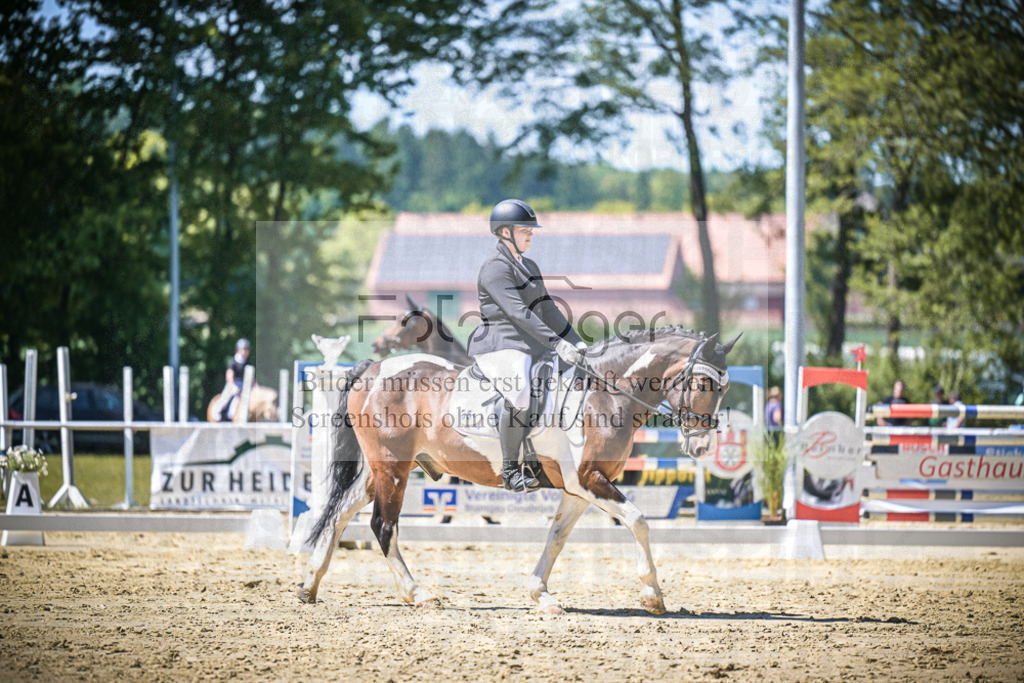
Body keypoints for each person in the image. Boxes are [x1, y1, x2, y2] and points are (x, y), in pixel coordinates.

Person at [467, 199, 588, 492]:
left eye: (531, 230)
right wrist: (556, 344)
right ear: (505, 232)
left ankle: (544, 457)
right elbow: (518, 313)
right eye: (525, 230)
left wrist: (577, 342)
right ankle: (510, 470)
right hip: (502, 344)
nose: (531, 234)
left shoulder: (529, 265)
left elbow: (548, 310)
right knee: (521, 392)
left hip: (531, 344)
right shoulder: (494, 268)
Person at [217, 338, 252, 422]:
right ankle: (219, 412)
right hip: (234, 384)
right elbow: (229, 376)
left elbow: (252, 378)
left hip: (244, 386)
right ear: (238, 350)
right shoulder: (233, 362)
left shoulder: (247, 363)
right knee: (227, 395)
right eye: (244, 349)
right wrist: (233, 385)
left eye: (247, 350)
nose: (246, 352)